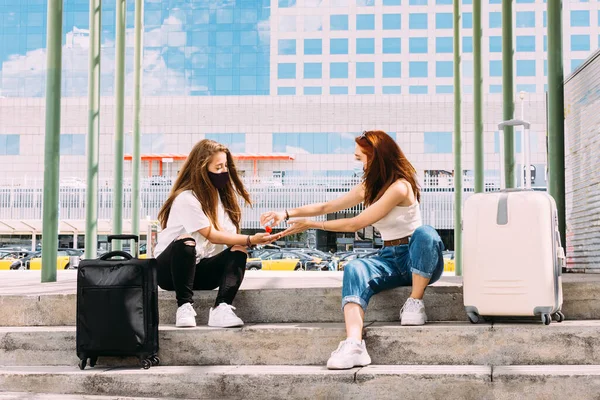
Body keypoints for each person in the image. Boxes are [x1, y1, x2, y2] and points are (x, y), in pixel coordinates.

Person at [260, 130, 444, 369]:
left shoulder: (400, 187)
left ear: (376, 158)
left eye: (361, 158)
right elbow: (328, 205)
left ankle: (415, 302)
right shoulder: (369, 187)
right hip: (388, 258)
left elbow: (357, 223)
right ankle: (354, 344)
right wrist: (286, 214)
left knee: (425, 233)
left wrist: (312, 225)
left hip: (418, 258)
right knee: (355, 267)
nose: (359, 164)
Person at [155, 139, 278, 328]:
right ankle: (184, 307)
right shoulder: (186, 198)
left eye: (225, 166)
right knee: (186, 242)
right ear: (202, 169)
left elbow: (230, 238)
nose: (224, 172)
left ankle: (222, 308)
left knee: (239, 249)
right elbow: (210, 234)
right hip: (170, 272)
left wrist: (257, 239)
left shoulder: (220, 201)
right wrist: (251, 238)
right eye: (218, 167)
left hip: (199, 271)